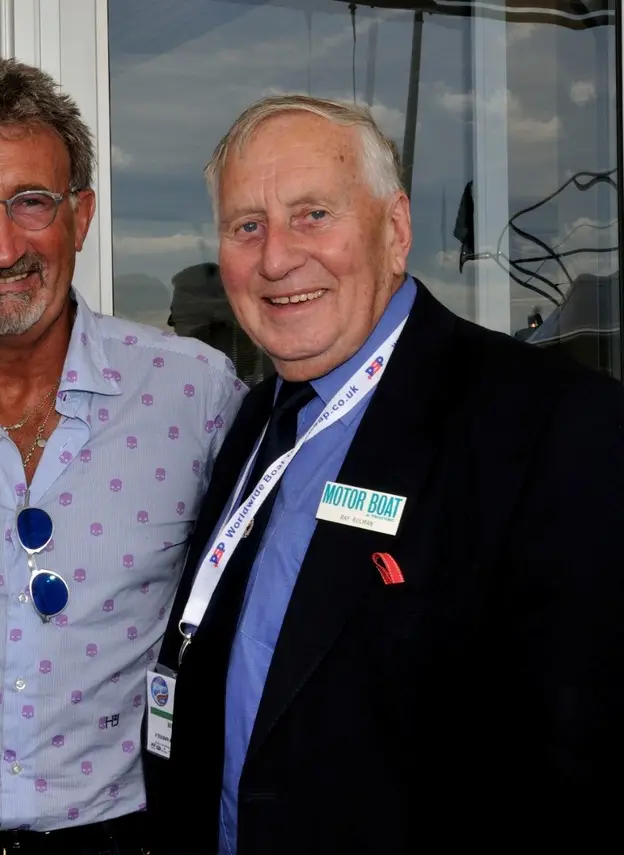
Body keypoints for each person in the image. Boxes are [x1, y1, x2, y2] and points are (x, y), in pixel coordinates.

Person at [143, 95, 624, 854]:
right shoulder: (255, 420)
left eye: (312, 215)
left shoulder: (551, 425)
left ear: (395, 230)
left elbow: (577, 762)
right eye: (247, 226)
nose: (276, 258)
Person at [0, 59, 245, 855]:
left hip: (130, 838)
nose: (1, 247)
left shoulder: (196, 395)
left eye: (31, 201)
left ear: (81, 214)